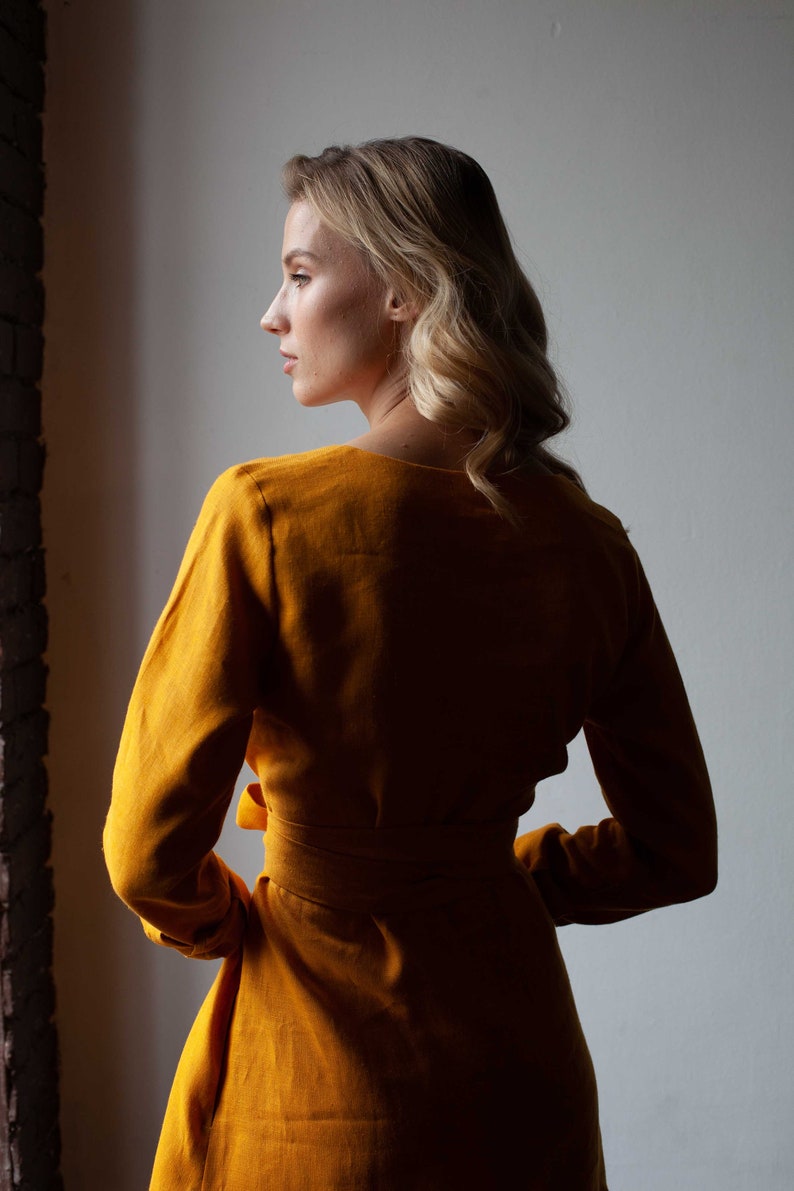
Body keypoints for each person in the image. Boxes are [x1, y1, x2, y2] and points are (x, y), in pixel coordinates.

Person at [104, 137, 717, 1190]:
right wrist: (489, 882)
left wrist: (239, 920)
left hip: (318, 1083)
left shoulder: (263, 515)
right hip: (521, 1079)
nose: (271, 313)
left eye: (299, 275)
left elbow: (145, 853)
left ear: (406, 288)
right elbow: (676, 849)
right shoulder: (587, 543)